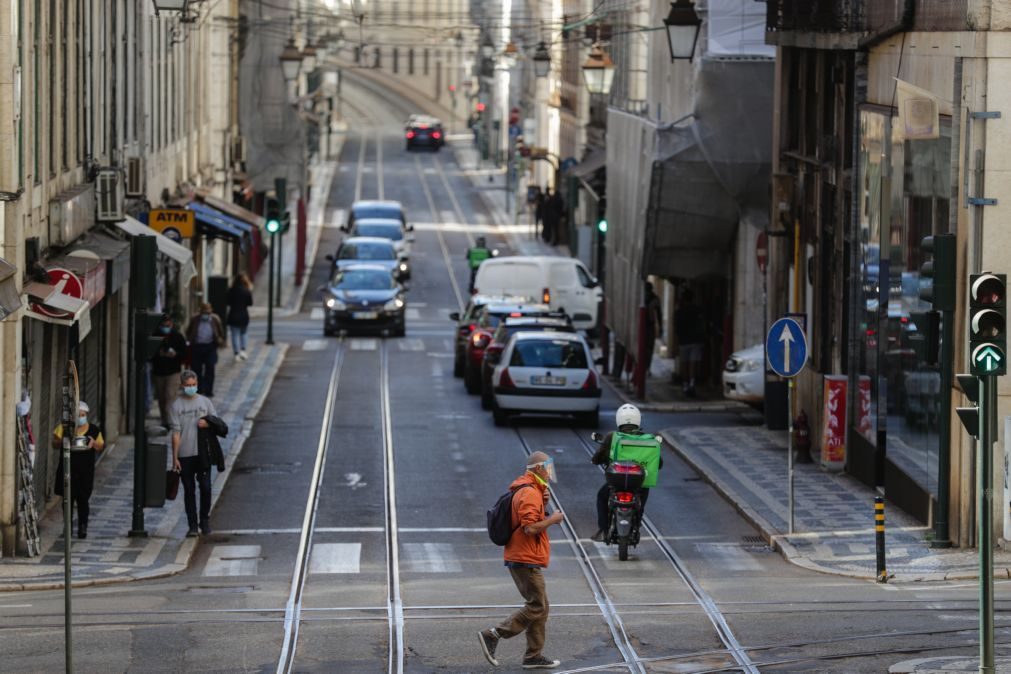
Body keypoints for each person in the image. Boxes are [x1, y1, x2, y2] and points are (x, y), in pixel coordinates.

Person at [479, 452, 564, 670]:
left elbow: (531, 519)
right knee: (537, 606)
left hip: (524, 556)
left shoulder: (533, 490)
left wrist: (543, 502)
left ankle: (533, 656)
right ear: (537, 469)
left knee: (541, 608)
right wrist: (552, 519)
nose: (549, 473)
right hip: (524, 557)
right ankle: (494, 634)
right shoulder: (529, 492)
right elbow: (529, 528)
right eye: (547, 468)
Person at [590, 404, 662, 543]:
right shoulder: (648, 439)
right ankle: (637, 522)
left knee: (602, 496)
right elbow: (659, 463)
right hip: (639, 483)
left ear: (619, 420)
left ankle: (604, 530)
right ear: (638, 420)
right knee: (641, 498)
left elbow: (599, 457)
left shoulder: (613, 437)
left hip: (617, 482)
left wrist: (595, 460)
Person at [170, 370, 217, 537]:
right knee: (189, 490)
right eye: (188, 385)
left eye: (193, 385)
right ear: (182, 386)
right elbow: (175, 434)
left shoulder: (205, 402)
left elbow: (216, 423)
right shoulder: (176, 406)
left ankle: (204, 520)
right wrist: (175, 458)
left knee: (205, 487)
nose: (191, 388)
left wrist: (208, 424)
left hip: (203, 453)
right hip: (185, 454)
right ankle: (192, 524)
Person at [52, 401, 105, 539]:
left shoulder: (94, 430)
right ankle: (67, 527)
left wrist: (93, 444)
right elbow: (54, 443)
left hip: (85, 472)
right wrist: (63, 440)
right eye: (78, 415)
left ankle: (82, 526)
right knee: (67, 500)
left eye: (83, 415)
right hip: (68, 470)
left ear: (86, 415)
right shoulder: (64, 428)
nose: (80, 417)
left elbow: (101, 445)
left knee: (83, 500)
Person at [151, 314, 188, 429]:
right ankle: (164, 420)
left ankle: (170, 421)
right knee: (162, 398)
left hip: (173, 371)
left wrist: (175, 354)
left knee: (170, 395)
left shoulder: (177, 337)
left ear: (171, 324)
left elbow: (184, 354)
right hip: (159, 371)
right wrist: (160, 354)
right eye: (163, 325)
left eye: (168, 325)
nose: (166, 327)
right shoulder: (156, 336)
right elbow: (150, 355)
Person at [186, 303, 225, 397]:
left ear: (211, 312)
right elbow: (188, 331)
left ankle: (208, 390)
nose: (205, 315)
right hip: (197, 346)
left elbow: (220, 332)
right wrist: (190, 340)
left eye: (207, 312)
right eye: (204, 312)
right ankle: (199, 389)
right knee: (196, 369)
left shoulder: (215, 319)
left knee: (210, 368)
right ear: (200, 312)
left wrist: (219, 340)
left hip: (210, 347)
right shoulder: (195, 319)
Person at [674, 289, 705, 397]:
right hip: (696, 340)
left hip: (684, 340)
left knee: (684, 363)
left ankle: (685, 383)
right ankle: (692, 383)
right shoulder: (697, 310)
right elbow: (702, 323)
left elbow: (676, 327)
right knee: (693, 363)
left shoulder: (680, 311)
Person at [226, 273, 253, 361]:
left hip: (233, 314)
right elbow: (250, 303)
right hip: (244, 315)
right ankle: (243, 350)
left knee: (234, 335)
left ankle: (236, 353)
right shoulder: (246, 290)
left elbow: (228, 302)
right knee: (243, 333)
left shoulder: (231, 290)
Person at [642, 282, 663, 377]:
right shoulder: (641, 297)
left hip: (650, 325)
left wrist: (661, 326)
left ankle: (647, 368)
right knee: (644, 347)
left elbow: (659, 313)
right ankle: (643, 367)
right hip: (643, 325)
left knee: (649, 348)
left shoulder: (654, 299)